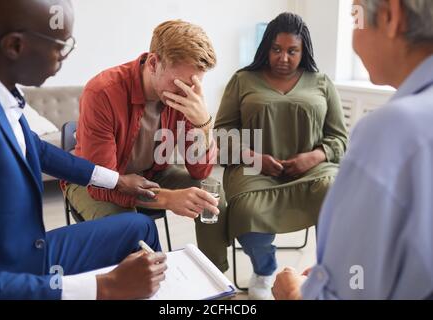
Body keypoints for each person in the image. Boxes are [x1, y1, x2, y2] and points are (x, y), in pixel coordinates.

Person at [0, 0, 168, 300]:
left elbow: (39, 151)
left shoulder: (4, 97)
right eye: (60, 45)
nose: (64, 56)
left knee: (139, 226)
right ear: (15, 46)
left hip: (31, 250)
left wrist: (116, 180)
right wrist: (104, 287)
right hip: (13, 275)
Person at [272, 0, 433, 300]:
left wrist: (294, 293)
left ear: (390, 16)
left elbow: (352, 291)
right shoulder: (245, 81)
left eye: (353, 16)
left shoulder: (391, 132)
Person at [65, 20, 229, 272]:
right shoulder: (102, 92)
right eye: (181, 83)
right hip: (92, 181)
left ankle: (215, 275)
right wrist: (168, 198)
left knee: (212, 196)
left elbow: (200, 172)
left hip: (151, 174)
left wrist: (203, 123)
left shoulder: (184, 97)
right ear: (153, 63)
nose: (188, 92)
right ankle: (154, 288)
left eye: (195, 83)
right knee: (129, 229)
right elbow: (102, 184)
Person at [214, 12, 348, 299]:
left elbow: (339, 138)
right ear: (266, 48)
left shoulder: (321, 82)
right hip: (253, 167)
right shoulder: (242, 80)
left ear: (304, 51)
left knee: (336, 193)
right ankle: (264, 271)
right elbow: (223, 133)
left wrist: (313, 157)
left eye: (292, 51)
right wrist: (255, 157)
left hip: (312, 169)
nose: (283, 57)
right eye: (276, 49)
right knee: (246, 210)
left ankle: (324, 272)